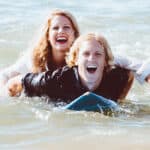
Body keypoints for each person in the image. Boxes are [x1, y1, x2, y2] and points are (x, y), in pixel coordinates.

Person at [0, 9, 150, 96]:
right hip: (47, 89)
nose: (61, 31)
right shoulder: (35, 59)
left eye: (66, 27)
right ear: (47, 35)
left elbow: (130, 63)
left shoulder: (86, 54)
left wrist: (146, 74)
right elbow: (8, 76)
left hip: (77, 90)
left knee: (126, 72)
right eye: (55, 28)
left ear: (74, 34)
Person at [8, 33, 134, 103]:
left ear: (105, 61)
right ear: (76, 59)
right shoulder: (55, 79)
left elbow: (129, 76)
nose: (91, 59)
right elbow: (15, 83)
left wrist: (119, 100)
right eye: (86, 54)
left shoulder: (115, 76)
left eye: (98, 54)